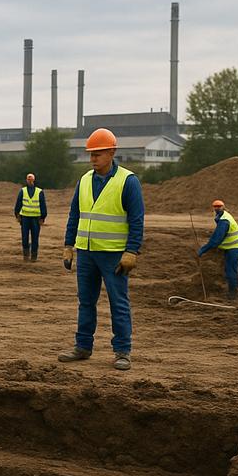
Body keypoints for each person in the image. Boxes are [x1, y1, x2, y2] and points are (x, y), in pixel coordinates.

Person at [58, 128, 144, 371]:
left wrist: (131, 251)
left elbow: (137, 219)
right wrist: (68, 245)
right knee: (86, 301)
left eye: (99, 153)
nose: (93, 158)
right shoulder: (84, 180)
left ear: (112, 152)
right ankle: (83, 346)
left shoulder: (128, 181)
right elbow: (74, 214)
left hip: (114, 254)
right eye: (91, 154)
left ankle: (122, 351)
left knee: (118, 303)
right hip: (86, 252)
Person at [199, 199, 238, 300]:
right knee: (229, 269)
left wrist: (203, 250)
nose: (217, 208)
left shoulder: (224, 220)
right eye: (215, 206)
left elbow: (216, 240)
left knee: (230, 270)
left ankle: (233, 294)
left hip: (234, 248)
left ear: (223, 207)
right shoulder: (223, 215)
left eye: (219, 206)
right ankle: (233, 288)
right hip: (229, 246)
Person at [13, 172, 47, 260]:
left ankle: (34, 256)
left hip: (36, 218)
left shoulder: (39, 192)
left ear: (34, 180)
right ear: (26, 180)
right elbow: (18, 203)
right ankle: (26, 255)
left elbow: (43, 204)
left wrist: (43, 217)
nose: (30, 181)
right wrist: (17, 214)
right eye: (28, 179)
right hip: (25, 218)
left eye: (31, 179)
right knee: (25, 237)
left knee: (35, 237)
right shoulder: (23, 191)